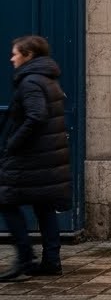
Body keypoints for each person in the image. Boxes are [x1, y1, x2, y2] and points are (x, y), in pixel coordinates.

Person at [0, 36, 69, 281]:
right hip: (47, 156)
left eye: (15, 53)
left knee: (7, 202)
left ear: (28, 55)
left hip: (31, 156)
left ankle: (24, 257)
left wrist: (13, 143)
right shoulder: (48, 79)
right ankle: (51, 261)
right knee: (44, 206)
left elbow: (37, 116)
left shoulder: (30, 82)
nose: (12, 58)